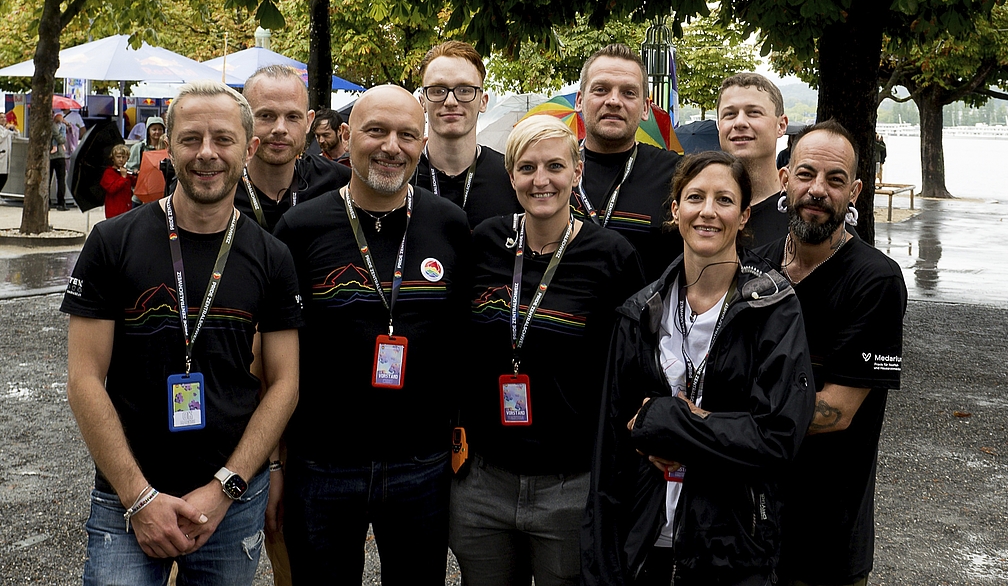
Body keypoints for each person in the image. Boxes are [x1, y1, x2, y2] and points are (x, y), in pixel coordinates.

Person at [62, 80, 303, 586]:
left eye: (223, 139)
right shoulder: (112, 242)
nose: (206, 154)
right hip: (127, 497)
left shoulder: (272, 256)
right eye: (191, 139)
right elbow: (84, 378)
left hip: (232, 498)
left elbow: (284, 384)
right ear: (167, 146)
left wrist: (226, 488)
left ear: (249, 147)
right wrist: (139, 498)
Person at [583, 151, 815, 586]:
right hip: (643, 544)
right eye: (695, 197)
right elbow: (610, 448)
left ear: (744, 215)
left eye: (724, 200)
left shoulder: (772, 309)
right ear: (675, 209)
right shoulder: (640, 312)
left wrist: (668, 420)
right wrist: (600, 564)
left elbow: (780, 436)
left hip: (731, 549)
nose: (708, 211)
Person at [273, 85, 472, 585]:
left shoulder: (449, 225)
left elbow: (463, 338)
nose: (391, 146)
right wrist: (275, 461)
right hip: (322, 464)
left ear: (422, 143)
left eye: (407, 134)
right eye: (376, 131)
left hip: (421, 464)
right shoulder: (300, 228)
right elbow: (276, 352)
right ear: (345, 136)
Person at [449, 115, 645, 586]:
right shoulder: (486, 241)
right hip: (483, 481)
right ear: (511, 175)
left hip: (570, 484)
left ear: (576, 171)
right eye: (528, 167)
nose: (542, 180)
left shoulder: (611, 256)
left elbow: (633, 366)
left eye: (555, 166)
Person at [756, 120, 906, 586]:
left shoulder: (875, 280)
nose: (817, 190)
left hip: (827, 537)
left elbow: (836, 413)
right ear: (785, 179)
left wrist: (706, 423)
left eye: (835, 179)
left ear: (855, 191)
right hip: (746, 525)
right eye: (805, 174)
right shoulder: (751, 268)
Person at [572, 43, 682, 281]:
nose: (613, 101)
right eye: (600, 89)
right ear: (579, 101)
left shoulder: (678, 174)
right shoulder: (548, 171)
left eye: (628, 93)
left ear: (645, 108)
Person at [414, 40, 520, 228]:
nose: (451, 101)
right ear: (423, 101)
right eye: (438, 90)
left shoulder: (512, 178)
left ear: (483, 101)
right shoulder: (403, 177)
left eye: (464, 90)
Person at [236, 65, 350, 232]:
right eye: (266, 115)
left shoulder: (338, 182)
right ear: (244, 118)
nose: (280, 128)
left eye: (292, 117)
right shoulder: (223, 188)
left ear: (309, 122)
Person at [717, 72, 790, 246]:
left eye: (754, 113)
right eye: (730, 114)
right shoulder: (700, 213)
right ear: (719, 125)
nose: (740, 122)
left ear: (781, 126)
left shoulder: (803, 214)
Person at [127, 117, 167, 208]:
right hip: (141, 195)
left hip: (162, 193)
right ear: (148, 131)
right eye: (154, 129)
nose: (157, 132)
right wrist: (137, 171)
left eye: (160, 129)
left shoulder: (168, 148)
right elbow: (130, 168)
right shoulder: (139, 148)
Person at [99, 144, 135, 218]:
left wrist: (136, 175)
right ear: (113, 158)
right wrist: (123, 178)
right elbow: (111, 189)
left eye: (124, 157)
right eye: (118, 157)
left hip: (126, 209)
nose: (121, 159)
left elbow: (134, 183)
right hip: (114, 212)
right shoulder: (108, 172)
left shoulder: (125, 172)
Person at [50, 111, 69, 210]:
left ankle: (61, 201)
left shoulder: (60, 126)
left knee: (61, 179)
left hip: (58, 155)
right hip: (53, 155)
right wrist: (62, 140)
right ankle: (55, 201)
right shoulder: (52, 126)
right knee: (50, 179)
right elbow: (60, 139)